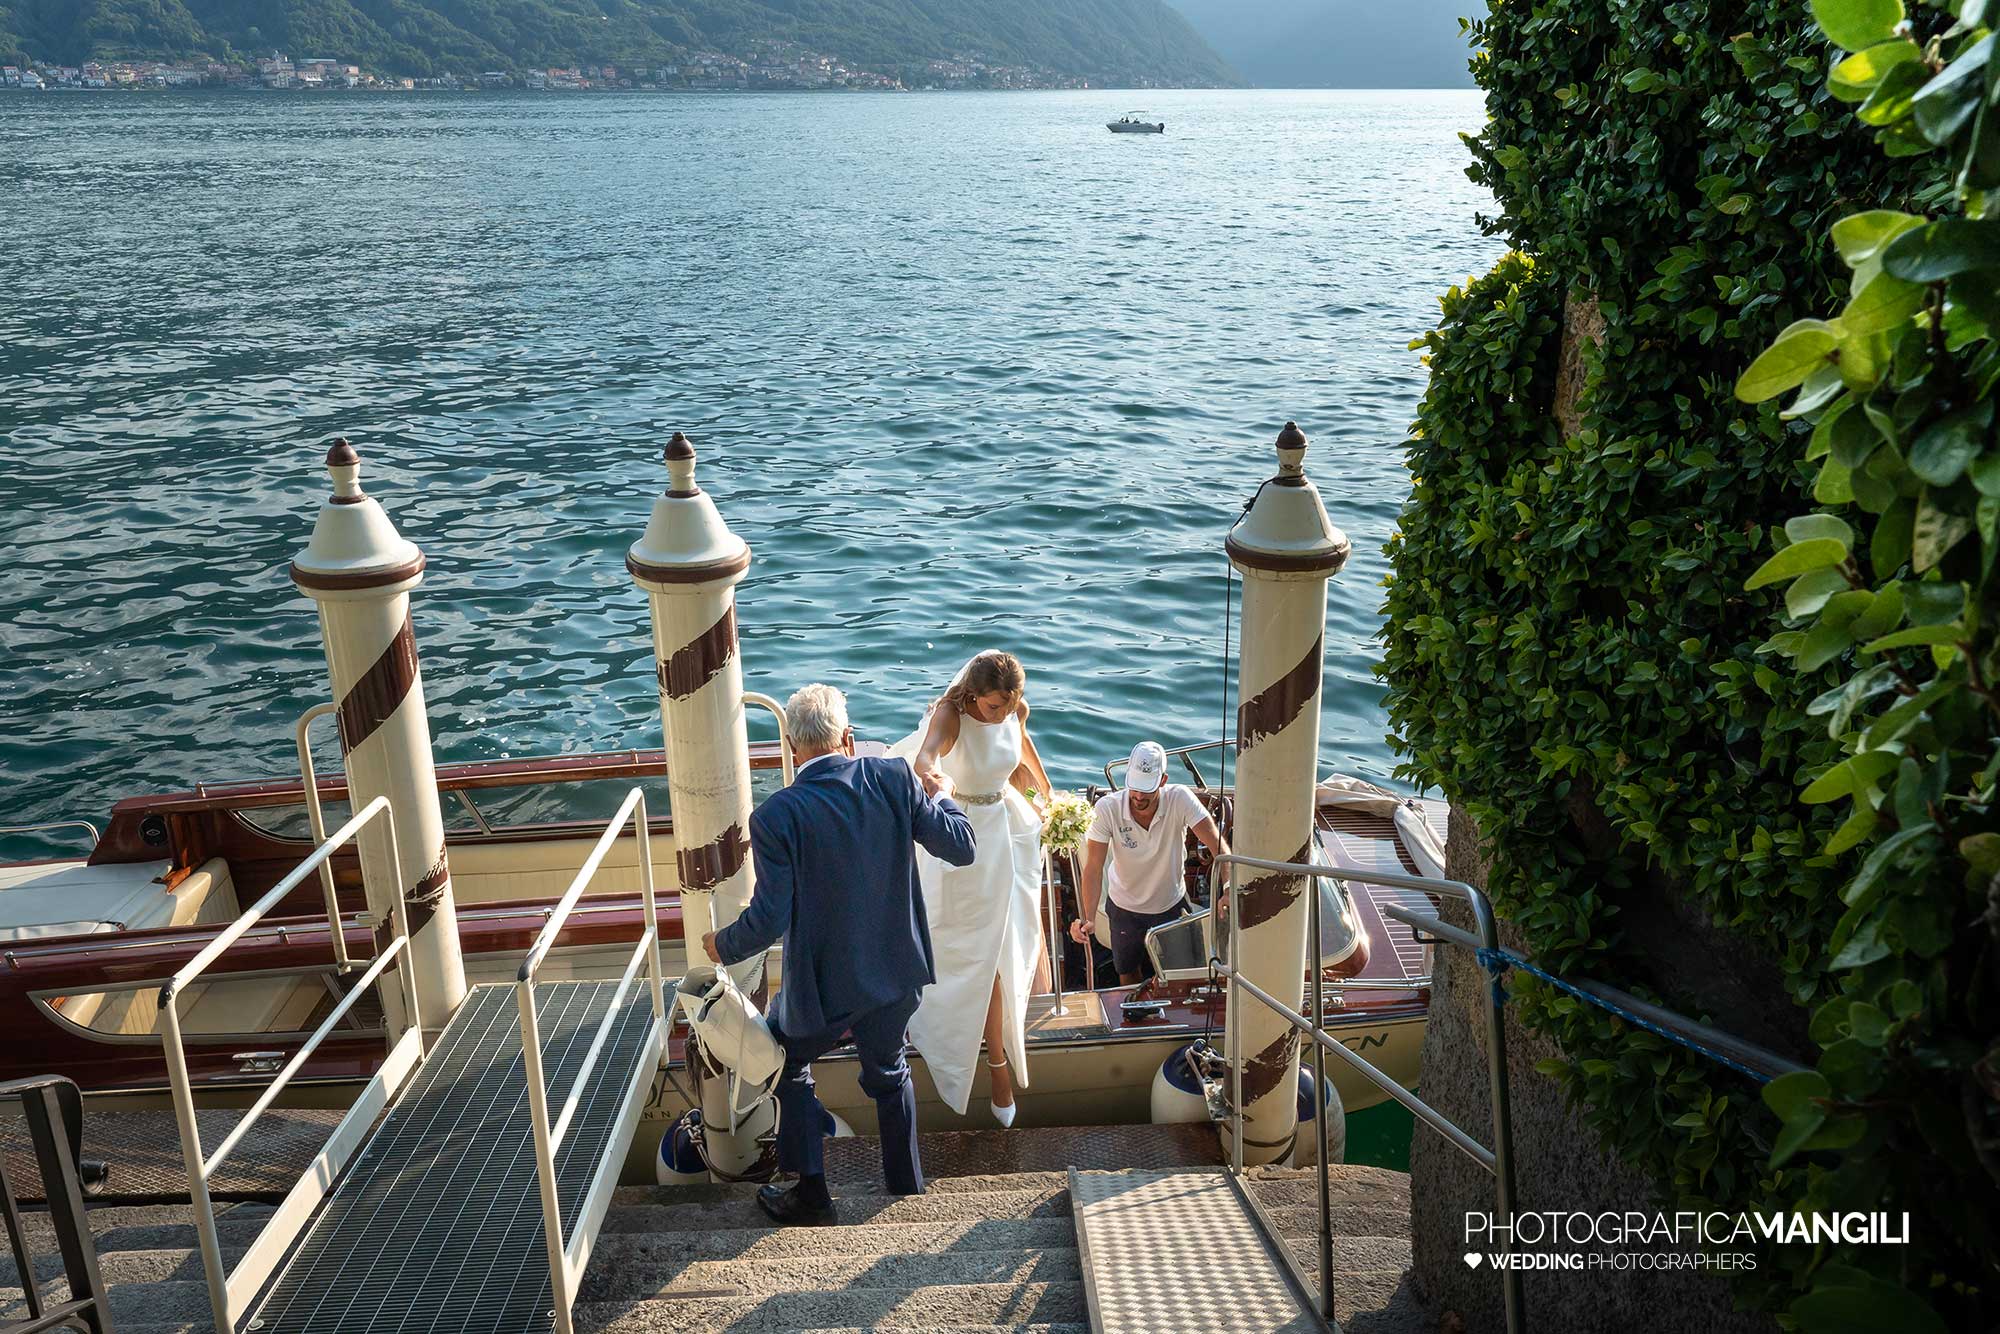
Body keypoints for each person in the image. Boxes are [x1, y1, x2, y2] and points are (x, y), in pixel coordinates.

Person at [704, 683, 975, 1226]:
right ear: (847, 738)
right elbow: (962, 846)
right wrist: (943, 794)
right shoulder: (895, 778)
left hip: (823, 986)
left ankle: (812, 1196)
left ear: (791, 747)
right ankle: (905, 1188)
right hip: (895, 972)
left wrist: (721, 944)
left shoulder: (775, 817)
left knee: (786, 1063)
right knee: (890, 1070)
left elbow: (769, 919)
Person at [892, 650, 1052, 1128]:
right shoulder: (951, 714)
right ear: (974, 695)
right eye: (994, 707)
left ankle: (999, 1059)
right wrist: (935, 780)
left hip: (1002, 833)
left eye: (1009, 705)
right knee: (970, 953)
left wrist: (1045, 789)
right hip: (960, 836)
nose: (1002, 715)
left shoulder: (1014, 711)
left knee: (1002, 947)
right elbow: (925, 756)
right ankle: (990, 1064)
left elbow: (1023, 743)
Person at [1071, 741, 1227, 986]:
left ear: (1163, 781)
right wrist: (1087, 917)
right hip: (1123, 909)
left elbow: (1220, 849)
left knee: (1183, 977)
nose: (1138, 796)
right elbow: (1093, 867)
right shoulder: (1107, 808)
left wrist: (1227, 890)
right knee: (1127, 973)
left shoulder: (1180, 798)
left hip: (1171, 906)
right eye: (1134, 786)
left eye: (1147, 788)